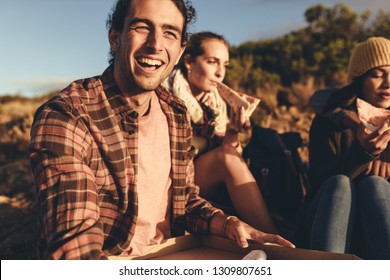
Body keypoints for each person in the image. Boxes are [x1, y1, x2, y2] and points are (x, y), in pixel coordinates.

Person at [28, 0, 294, 260]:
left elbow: (184, 200)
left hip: (178, 250)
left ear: (179, 51)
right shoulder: (68, 114)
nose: (155, 44)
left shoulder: (175, 113)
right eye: (142, 27)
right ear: (115, 38)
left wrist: (228, 224)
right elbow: (76, 239)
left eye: (169, 33)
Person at [163, 31, 278, 234]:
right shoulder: (166, 92)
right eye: (212, 62)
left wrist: (232, 134)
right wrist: (207, 144)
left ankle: (271, 237)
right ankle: (272, 239)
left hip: (199, 178)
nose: (219, 72)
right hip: (170, 180)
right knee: (225, 158)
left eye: (224, 64)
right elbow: (171, 149)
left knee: (229, 156)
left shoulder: (216, 103)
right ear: (189, 62)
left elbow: (226, 150)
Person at [302, 37, 390, 259]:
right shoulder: (329, 121)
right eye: (377, 74)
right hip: (331, 229)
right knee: (339, 183)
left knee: (376, 184)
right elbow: (317, 187)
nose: (388, 83)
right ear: (359, 79)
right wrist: (362, 155)